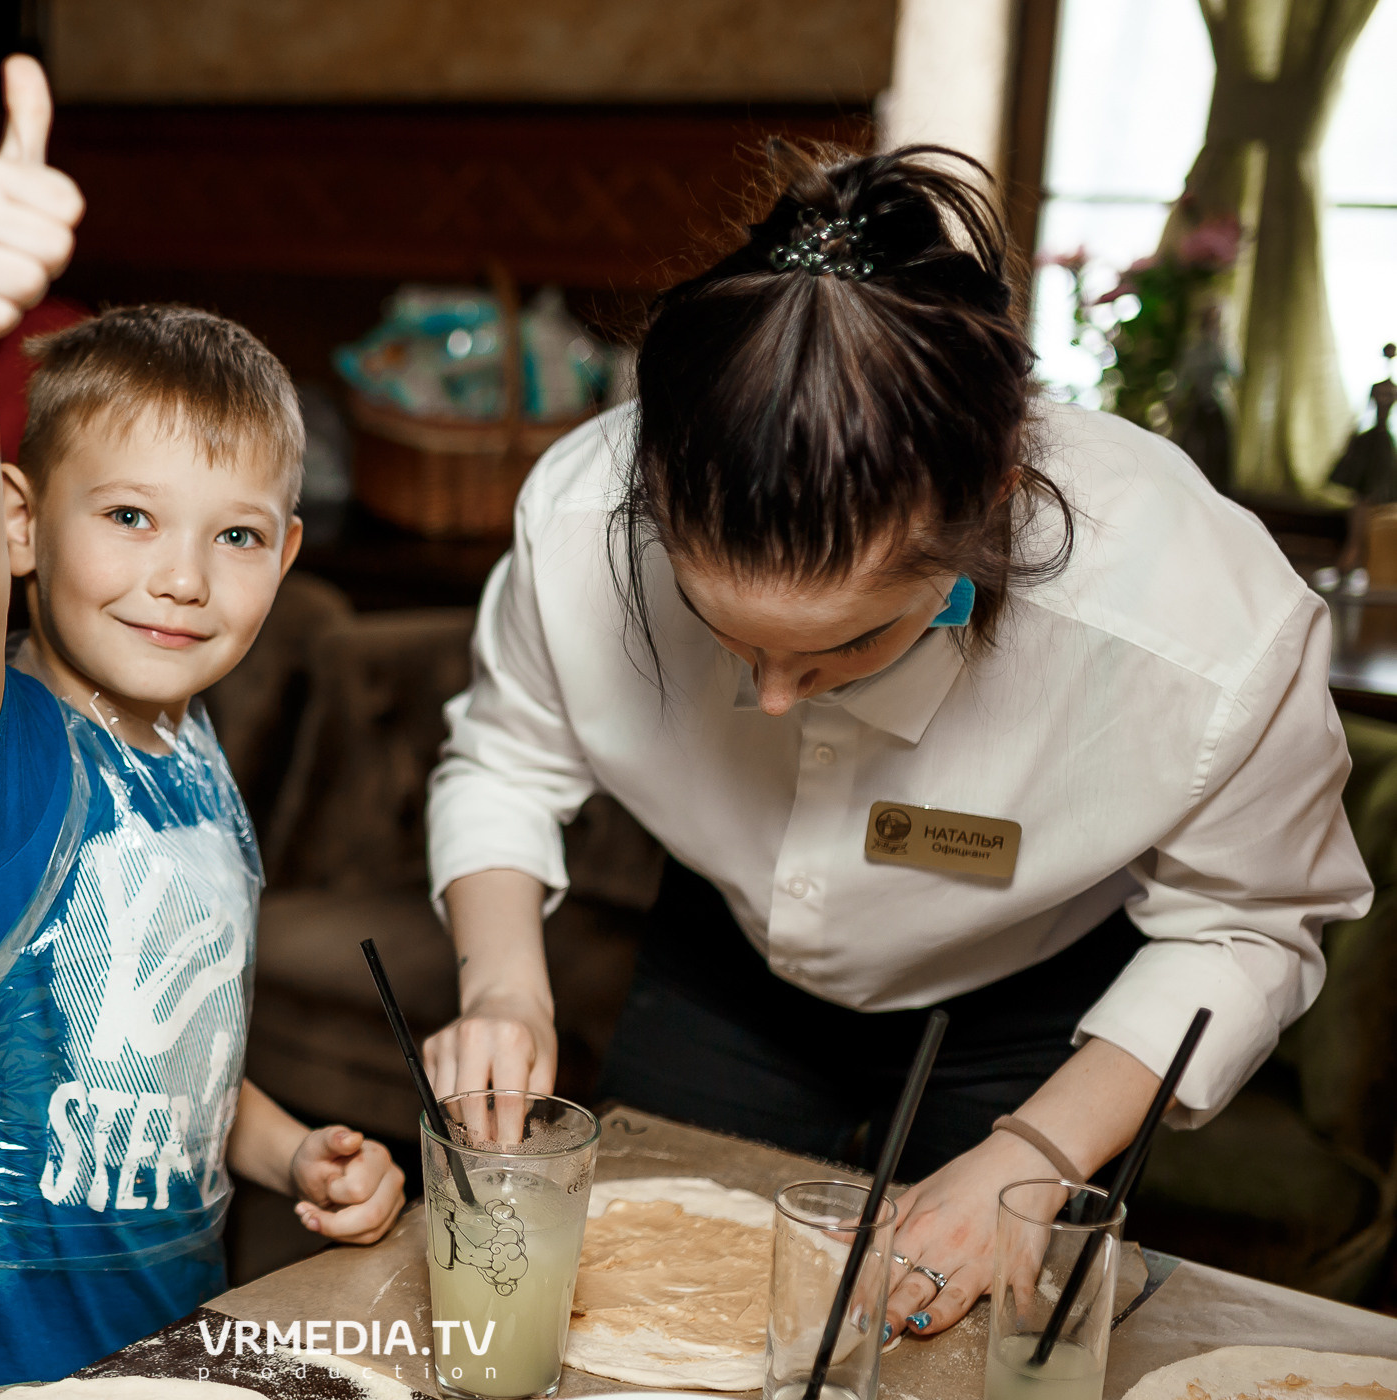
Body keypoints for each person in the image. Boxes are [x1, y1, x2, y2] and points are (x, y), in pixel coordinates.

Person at [421, 144, 1370, 1341]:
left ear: (993, 507)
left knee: (965, 1342)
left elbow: (1249, 922)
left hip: (1041, 1016)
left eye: (844, 645)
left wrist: (1033, 1148)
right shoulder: (573, 514)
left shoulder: (1196, 624)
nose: (774, 699)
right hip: (723, 971)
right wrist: (502, 984)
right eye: (726, 633)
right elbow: (507, 756)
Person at [0, 55, 405, 1397]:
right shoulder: (3, 754)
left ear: (283, 557)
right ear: (18, 526)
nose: (182, 576)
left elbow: (162, 1070)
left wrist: (285, 1154)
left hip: (169, 1340)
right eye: (128, 516)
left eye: (232, 536)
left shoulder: (194, 762)